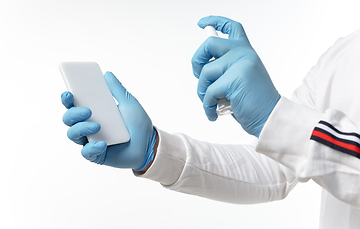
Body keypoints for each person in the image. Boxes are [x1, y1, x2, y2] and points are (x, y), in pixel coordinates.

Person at [61, 16, 360, 228]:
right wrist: (156, 151)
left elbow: (298, 140)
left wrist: (275, 116)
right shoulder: (343, 54)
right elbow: (279, 167)